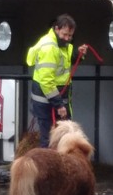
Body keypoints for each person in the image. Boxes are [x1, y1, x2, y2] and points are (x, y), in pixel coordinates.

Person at [26, 14, 88, 147]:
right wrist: (59, 105)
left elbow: (64, 61)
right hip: (46, 101)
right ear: (56, 29)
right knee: (49, 138)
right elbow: (46, 81)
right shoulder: (49, 47)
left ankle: (59, 165)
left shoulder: (61, 44)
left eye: (70, 36)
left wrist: (78, 54)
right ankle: (48, 166)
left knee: (62, 136)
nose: (67, 39)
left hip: (56, 98)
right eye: (65, 34)